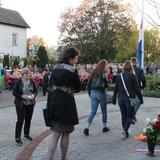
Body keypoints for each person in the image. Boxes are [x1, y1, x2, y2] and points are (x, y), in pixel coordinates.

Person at [47, 47, 81, 160]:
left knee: (55, 134)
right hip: (66, 104)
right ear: (70, 58)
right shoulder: (72, 70)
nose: (76, 61)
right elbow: (78, 88)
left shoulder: (54, 68)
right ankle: (63, 158)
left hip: (53, 103)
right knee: (65, 133)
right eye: (75, 59)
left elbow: (49, 86)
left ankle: (49, 158)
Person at [112, 60, 143, 140]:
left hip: (120, 99)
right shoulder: (132, 76)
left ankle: (125, 132)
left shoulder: (119, 76)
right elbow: (137, 89)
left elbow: (116, 89)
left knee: (124, 116)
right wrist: (140, 99)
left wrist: (114, 98)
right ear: (131, 66)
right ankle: (124, 130)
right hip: (129, 99)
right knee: (130, 116)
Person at [83, 59, 110, 136]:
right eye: (106, 65)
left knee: (93, 112)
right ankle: (104, 127)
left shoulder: (93, 72)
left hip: (92, 92)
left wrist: (89, 94)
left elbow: (88, 84)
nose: (107, 66)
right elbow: (106, 85)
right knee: (104, 111)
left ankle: (87, 127)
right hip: (100, 92)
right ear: (104, 66)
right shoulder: (104, 73)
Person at [13, 67, 38, 146]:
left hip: (30, 103)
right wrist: (22, 96)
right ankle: (17, 138)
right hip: (21, 104)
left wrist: (34, 95)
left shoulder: (31, 81)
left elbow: (36, 91)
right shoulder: (18, 82)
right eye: (27, 73)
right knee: (20, 120)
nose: (28, 75)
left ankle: (26, 134)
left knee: (28, 119)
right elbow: (14, 93)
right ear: (23, 74)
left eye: (29, 73)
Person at [131, 57, 146, 122]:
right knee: (138, 102)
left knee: (132, 103)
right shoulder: (139, 70)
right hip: (137, 88)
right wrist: (142, 87)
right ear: (136, 62)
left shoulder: (127, 70)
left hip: (128, 89)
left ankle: (132, 115)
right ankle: (132, 115)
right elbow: (143, 79)